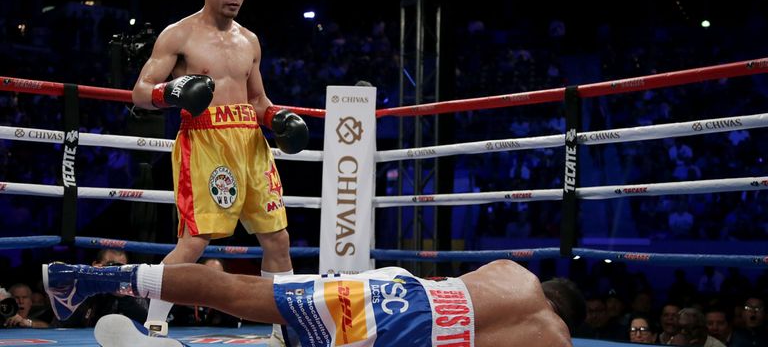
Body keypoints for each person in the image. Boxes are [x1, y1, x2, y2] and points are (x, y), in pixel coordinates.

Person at [130, 0, 308, 342]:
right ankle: (153, 326)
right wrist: (172, 92)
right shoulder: (179, 34)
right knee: (195, 240)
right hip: (205, 142)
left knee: (277, 237)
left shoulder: (251, 41)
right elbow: (140, 92)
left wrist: (277, 118)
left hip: (250, 143)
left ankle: (284, 331)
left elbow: (258, 100)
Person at [43, 259, 585, 347]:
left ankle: (88, 277)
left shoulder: (516, 273)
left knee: (240, 291)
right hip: (415, 339)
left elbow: (446, 283)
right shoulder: (554, 339)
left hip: (395, 293)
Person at [54, 249, 148, 328]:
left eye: (120, 268)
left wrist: (123, 297)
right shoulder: (80, 284)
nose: (115, 271)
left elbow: (146, 322)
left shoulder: (131, 289)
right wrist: (91, 285)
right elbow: (64, 324)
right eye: (111, 265)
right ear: (96, 265)